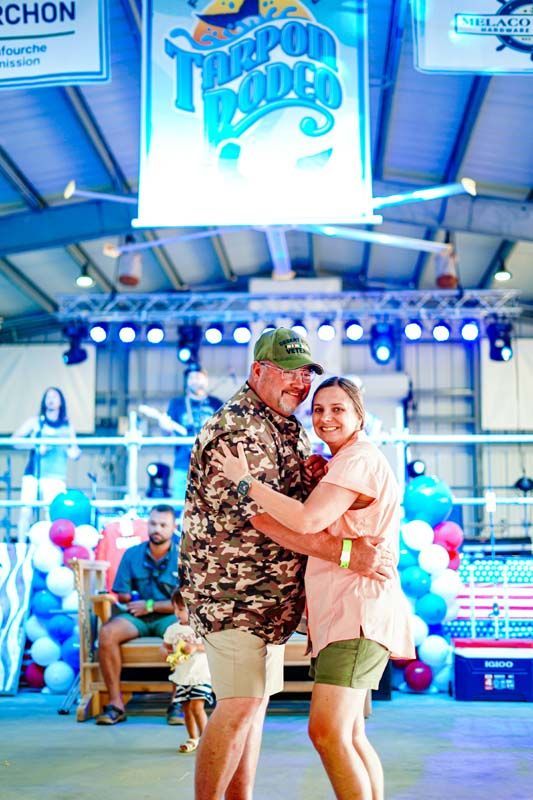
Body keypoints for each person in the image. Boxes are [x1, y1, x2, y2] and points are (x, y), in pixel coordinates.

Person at [179, 328, 394, 800]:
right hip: (236, 595)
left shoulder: (285, 426)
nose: (300, 386)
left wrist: (316, 470)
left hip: (273, 602)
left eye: (305, 376)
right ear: (258, 371)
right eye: (289, 374)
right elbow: (270, 522)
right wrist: (345, 554)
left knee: (253, 710)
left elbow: (301, 499)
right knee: (240, 707)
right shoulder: (239, 430)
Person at [216, 376, 415, 800]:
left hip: (356, 616)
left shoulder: (357, 460)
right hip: (342, 615)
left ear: (360, 414)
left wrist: (245, 482)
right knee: (352, 735)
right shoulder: (343, 461)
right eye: (319, 409)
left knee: (326, 732)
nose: (325, 417)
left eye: (338, 409)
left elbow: (307, 522)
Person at [96, 504, 180, 726]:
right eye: (153, 523)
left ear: (174, 527)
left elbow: (190, 602)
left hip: (170, 617)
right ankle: (116, 704)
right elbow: (122, 594)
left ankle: (177, 703)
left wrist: (151, 605)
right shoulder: (132, 554)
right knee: (107, 633)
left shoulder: (185, 555)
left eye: (163, 525)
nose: (157, 529)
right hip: (138, 617)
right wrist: (127, 597)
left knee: (183, 634)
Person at [12, 387, 80, 542]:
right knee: (25, 511)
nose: (51, 399)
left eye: (54, 396)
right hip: (33, 474)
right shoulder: (35, 422)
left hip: (56, 476)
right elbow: (15, 441)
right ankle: (22, 546)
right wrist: (35, 446)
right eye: (48, 396)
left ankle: (50, 548)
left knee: (51, 514)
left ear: (61, 401)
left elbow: (75, 449)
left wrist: (73, 453)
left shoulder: (67, 426)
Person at [163, 588, 215, 754]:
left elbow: (210, 646)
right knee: (186, 708)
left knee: (196, 706)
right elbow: (164, 647)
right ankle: (193, 738)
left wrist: (194, 647)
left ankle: (206, 738)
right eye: (175, 609)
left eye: (181, 609)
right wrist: (168, 654)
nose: (177, 613)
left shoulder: (202, 627)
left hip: (201, 675)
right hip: (182, 676)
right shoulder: (172, 629)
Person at [160, 365, 223, 501]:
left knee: (211, 506)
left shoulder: (216, 403)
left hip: (211, 464)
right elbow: (167, 433)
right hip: (184, 463)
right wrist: (165, 427)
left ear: (206, 380)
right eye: (191, 377)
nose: (195, 380)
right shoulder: (177, 403)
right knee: (180, 503)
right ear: (187, 381)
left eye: (199, 377)